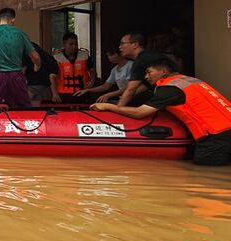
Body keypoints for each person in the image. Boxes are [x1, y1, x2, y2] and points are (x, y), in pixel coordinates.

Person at [91, 58, 231, 166]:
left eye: (149, 72)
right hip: (224, 129)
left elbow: (140, 113)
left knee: (205, 172)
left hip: (216, 135)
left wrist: (109, 107)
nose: (146, 77)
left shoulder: (168, 88)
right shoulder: (190, 81)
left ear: (163, 71)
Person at [0, 7, 40, 109]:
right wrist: (37, 66)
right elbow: (35, 56)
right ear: (13, 20)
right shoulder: (20, 33)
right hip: (16, 77)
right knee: (23, 110)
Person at [116, 32, 169, 107]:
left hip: (169, 95)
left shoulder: (141, 60)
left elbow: (130, 90)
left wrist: (118, 108)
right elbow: (146, 85)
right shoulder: (148, 56)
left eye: (122, 43)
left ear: (135, 45)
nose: (119, 47)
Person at [52, 32, 97, 103]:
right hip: (63, 94)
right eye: (71, 44)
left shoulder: (85, 55)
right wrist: (54, 93)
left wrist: (92, 81)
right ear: (64, 44)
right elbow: (52, 77)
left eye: (76, 44)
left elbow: (92, 70)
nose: (74, 46)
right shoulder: (57, 58)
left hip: (83, 92)